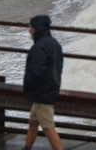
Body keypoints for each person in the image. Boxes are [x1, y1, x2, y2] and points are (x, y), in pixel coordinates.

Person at [21, 15, 64, 150]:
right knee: (33, 122)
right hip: (51, 88)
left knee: (48, 128)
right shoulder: (54, 43)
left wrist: (27, 86)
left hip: (42, 93)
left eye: (31, 27)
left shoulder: (39, 47)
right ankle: (27, 147)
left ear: (37, 29)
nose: (29, 30)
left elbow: (36, 72)